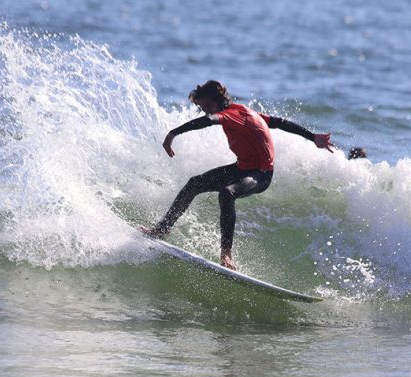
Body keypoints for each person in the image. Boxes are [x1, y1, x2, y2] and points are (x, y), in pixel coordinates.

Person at [142, 80, 334, 270]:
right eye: (203, 107)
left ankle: (226, 254)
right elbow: (279, 122)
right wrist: (313, 137)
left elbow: (208, 121)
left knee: (227, 193)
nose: (207, 111)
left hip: (260, 174)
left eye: (208, 105)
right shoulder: (243, 111)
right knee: (195, 183)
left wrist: (172, 134)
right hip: (241, 168)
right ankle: (162, 229)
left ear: (218, 101)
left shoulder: (230, 115)